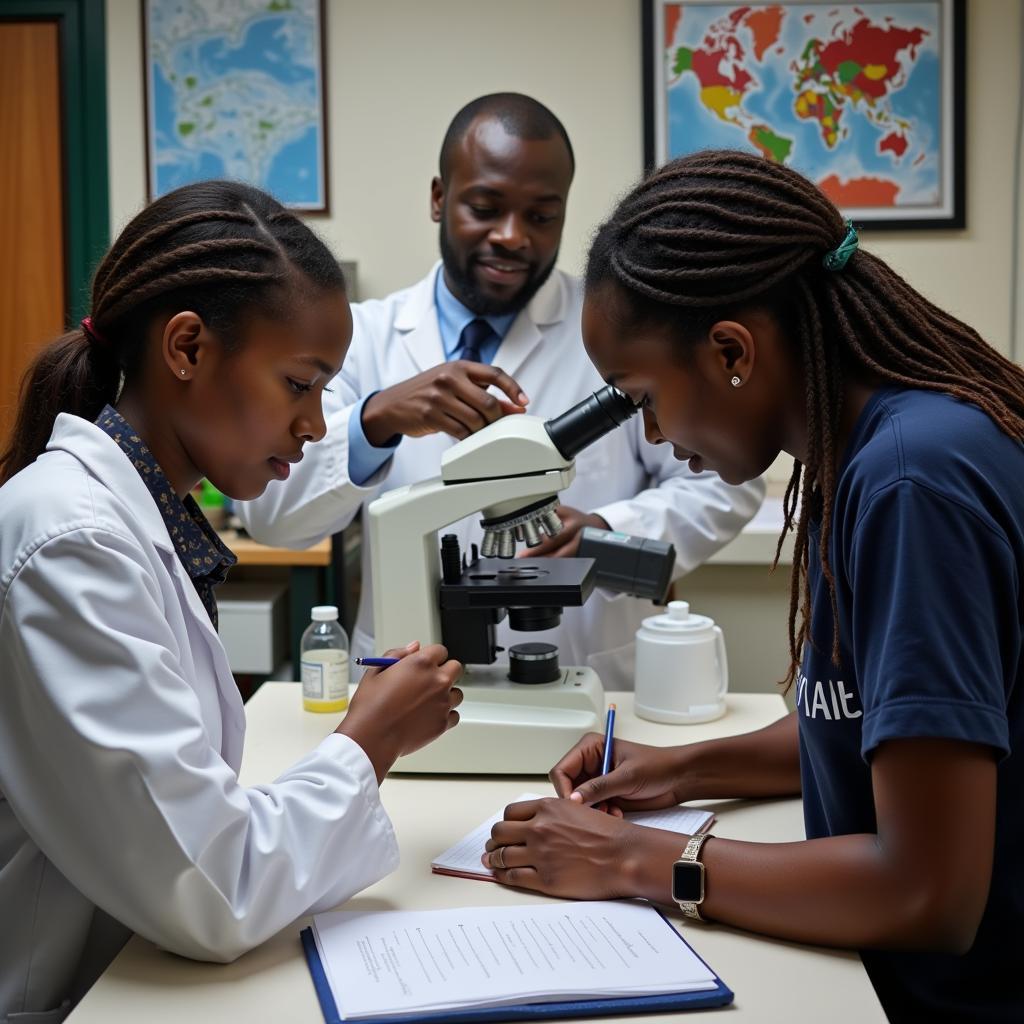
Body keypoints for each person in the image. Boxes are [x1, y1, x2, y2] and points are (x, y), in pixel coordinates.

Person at [480, 150, 1024, 1023]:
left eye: (644, 397)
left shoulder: (909, 481)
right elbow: (871, 723)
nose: (653, 430)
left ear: (731, 350)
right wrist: (675, 770)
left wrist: (637, 860)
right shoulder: (864, 452)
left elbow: (929, 893)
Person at [0, 181, 463, 1022]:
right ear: (187, 347)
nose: (318, 426)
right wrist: (370, 739)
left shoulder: (135, 518)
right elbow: (211, 890)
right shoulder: (72, 540)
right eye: (300, 384)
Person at [238, 94, 764, 689]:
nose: (512, 237)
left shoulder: (618, 334)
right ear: (440, 198)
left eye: (542, 216)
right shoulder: (364, 339)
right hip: (402, 681)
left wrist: (606, 528)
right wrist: (374, 421)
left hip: (590, 669)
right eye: (485, 207)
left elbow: (722, 485)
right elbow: (273, 519)